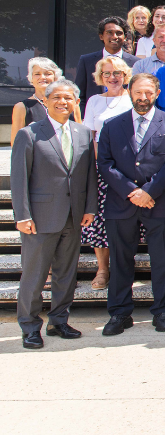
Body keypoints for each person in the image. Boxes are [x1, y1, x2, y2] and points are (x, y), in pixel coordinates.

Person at [97, 73, 165, 336]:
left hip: (159, 203)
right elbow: (105, 164)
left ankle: (161, 310)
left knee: (163, 260)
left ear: (156, 93)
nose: (143, 97)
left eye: (149, 92)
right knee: (121, 260)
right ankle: (119, 313)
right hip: (121, 203)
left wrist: (149, 191)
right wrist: (131, 191)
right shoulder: (112, 125)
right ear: (129, 92)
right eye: (138, 92)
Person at [12, 79, 97, 349]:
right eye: (57, 97)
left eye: (69, 98)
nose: (63, 102)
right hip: (39, 218)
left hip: (74, 217)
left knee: (66, 274)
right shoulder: (29, 133)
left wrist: (90, 208)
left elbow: (89, 176)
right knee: (35, 275)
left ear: (76, 103)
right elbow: (19, 178)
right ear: (46, 102)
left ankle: (59, 321)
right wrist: (22, 215)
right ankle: (29, 326)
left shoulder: (83, 133)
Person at [80, 56, 134, 290]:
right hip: (101, 169)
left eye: (117, 73)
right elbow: (89, 136)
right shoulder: (93, 101)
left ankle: (125, 268)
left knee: (129, 221)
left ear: (125, 75)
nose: (112, 78)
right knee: (99, 221)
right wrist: (99, 165)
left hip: (129, 170)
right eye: (107, 73)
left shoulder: (133, 98)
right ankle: (103, 269)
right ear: (100, 77)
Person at [74, 16, 137, 104]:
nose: (115, 37)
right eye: (109, 33)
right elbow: (79, 94)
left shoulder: (136, 63)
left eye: (119, 33)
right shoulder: (86, 61)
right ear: (101, 36)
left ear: (125, 36)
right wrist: (85, 115)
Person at [12, 58, 75, 134]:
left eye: (47, 74)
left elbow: (79, 136)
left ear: (55, 77)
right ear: (31, 78)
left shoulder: (71, 103)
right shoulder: (21, 107)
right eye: (37, 74)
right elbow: (17, 142)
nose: (42, 77)